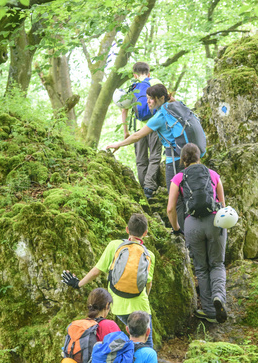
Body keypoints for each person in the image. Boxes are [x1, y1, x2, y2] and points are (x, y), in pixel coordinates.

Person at [106, 82, 196, 229]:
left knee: (176, 199)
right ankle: (194, 224)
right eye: (147, 98)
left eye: (151, 98)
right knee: (189, 193)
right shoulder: (177, 105)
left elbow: (137, 136)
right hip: (190, 154)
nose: (147, 101)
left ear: (161, 98)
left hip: (174, 160)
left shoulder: (160, 116)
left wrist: (118, 144)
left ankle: (184, 231)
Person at [62, 212, 156, 349]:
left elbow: (96, 271)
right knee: (146, 345)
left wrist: (78, 284)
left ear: (127, 229)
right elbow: (148, 283)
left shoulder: (114, 246)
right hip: (141, 306)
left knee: (128, 342)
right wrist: (145, 296)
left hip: (119, 307)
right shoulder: (149, 255)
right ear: (145, 233)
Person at [167, 142, 228, 324]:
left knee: (201, 268)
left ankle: (209, 310)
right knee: (217, 264)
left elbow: (170, 209)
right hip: (214, 221)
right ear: (199, 156)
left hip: (192, 223)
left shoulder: (178, 178)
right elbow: (223, 205)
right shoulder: (213, 174)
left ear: (182, 159)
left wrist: (177, 228)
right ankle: (219, 296)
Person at [120, 61, 162, 199]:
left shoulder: (133, 87)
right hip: (154, 125)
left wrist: (126, 131)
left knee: (141, 159)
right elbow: (166, 100)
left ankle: (144, 189)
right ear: (149, 73)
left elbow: (124, 110)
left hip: (139, 129)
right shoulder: (155, 81)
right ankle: (150, 187)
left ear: (135, 75)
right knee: (155, 156)